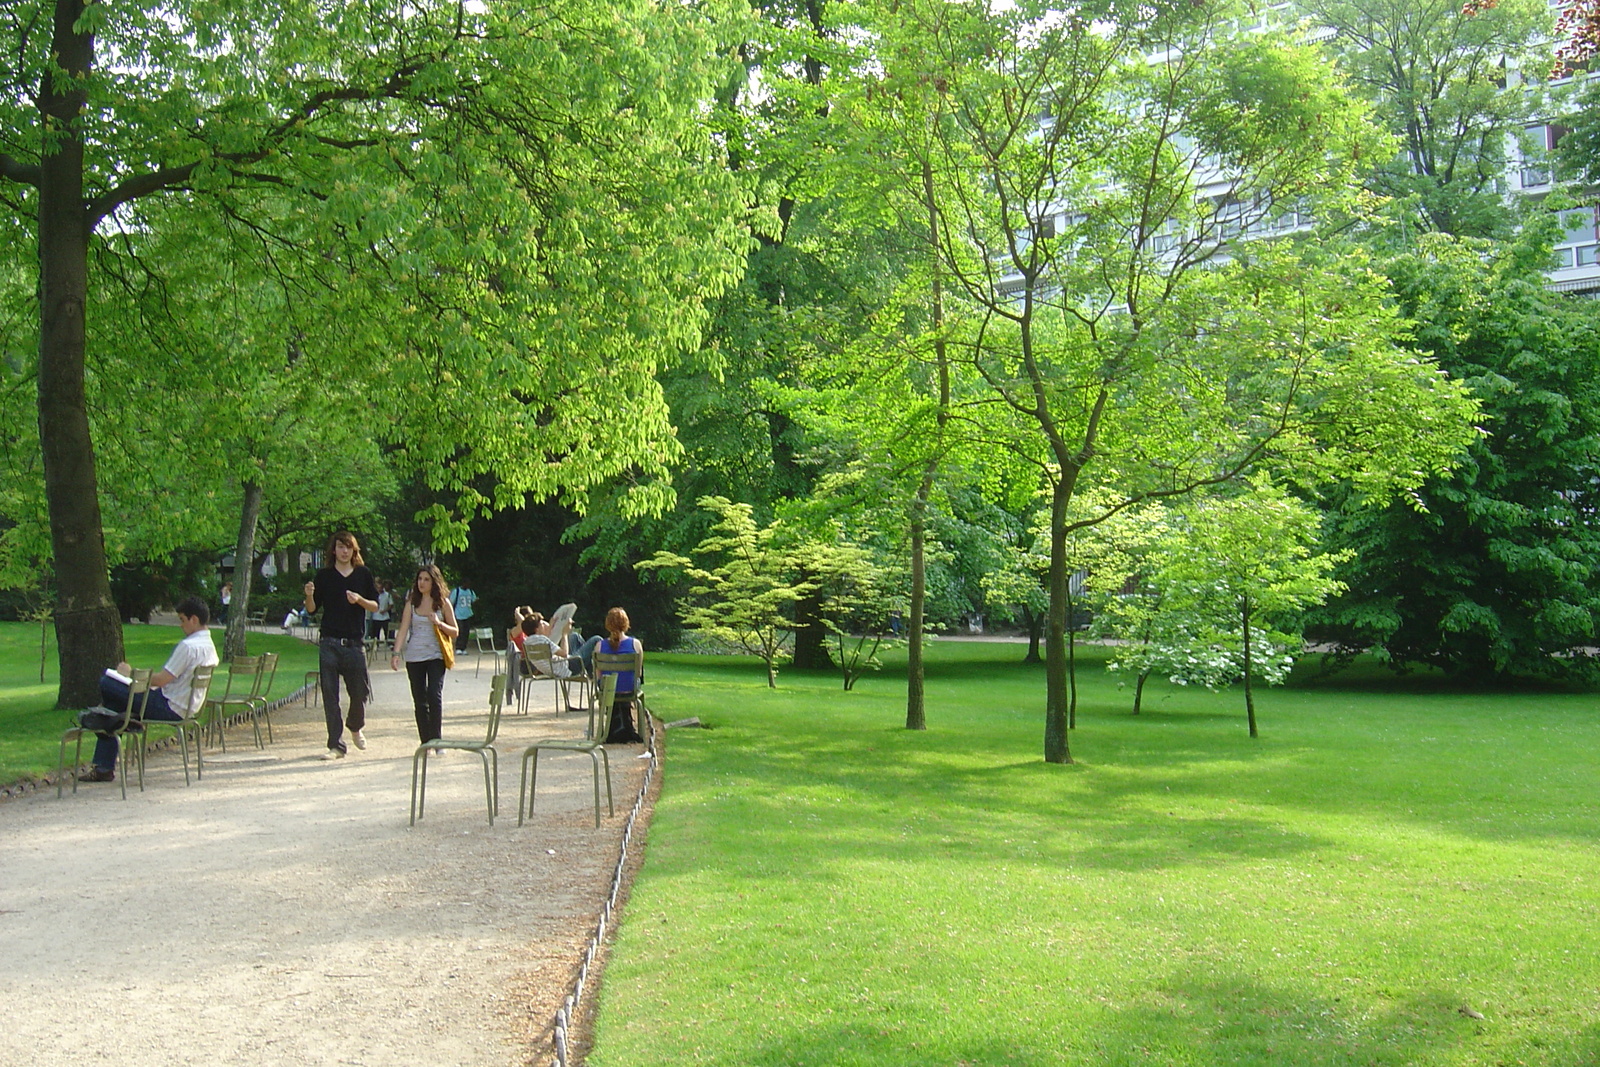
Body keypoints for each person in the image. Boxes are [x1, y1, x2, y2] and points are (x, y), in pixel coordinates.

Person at [81, 595, 219, 783]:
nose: (181, 625)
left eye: (182, 620)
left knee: (107, 683)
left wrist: (130, 674)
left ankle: (113, 735)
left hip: (168, 707)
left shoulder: (188, 646)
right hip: (188, 707)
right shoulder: (209, 646)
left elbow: (161, 680)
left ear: (194, 619)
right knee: (114, 705)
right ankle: (120, 721)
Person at [304, 530, 380, 760]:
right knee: (330, 694)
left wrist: (359, 600)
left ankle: (355, 725)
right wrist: (309, 594)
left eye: (348, 547)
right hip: (329, 642)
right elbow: (311, 609)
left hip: (354, 643)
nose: (344, 551)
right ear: (334, 550)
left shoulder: (363, 574)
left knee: (360, 692)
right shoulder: (324, 576)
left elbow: (375, 606)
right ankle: (335, 745)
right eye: (340, 547)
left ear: (353, 550)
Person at [389, 565, 459, 744]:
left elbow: (455, 631)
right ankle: (425, 741)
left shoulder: (443, 603)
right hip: (414, 657)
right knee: (420, 701)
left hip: (436, 656)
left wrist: (439, 623)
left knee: (434, 695)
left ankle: (437, 739)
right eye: (420, 579)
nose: (422, 583)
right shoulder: (412, 603)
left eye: (426, 579)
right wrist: (396, 653)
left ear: (434, 582)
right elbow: (403, 629)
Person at [597, 607, 645, 744]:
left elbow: (598, 675)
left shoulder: (599, 646)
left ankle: (610, 727)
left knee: (606, 682)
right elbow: (638, 673)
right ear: (626, 623)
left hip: (608, 690)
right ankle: (627, 725)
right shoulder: (636, 644)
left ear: (607, 624)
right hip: (629, 689)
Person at [449, 580, 477, 650]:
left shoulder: (470, 592)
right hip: (458, 614)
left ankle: (464, 647)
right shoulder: (457, 591)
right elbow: (451, 602)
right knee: (460, 631)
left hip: (468, 614)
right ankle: (458, 647)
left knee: (466, 632)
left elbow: (473, 600)